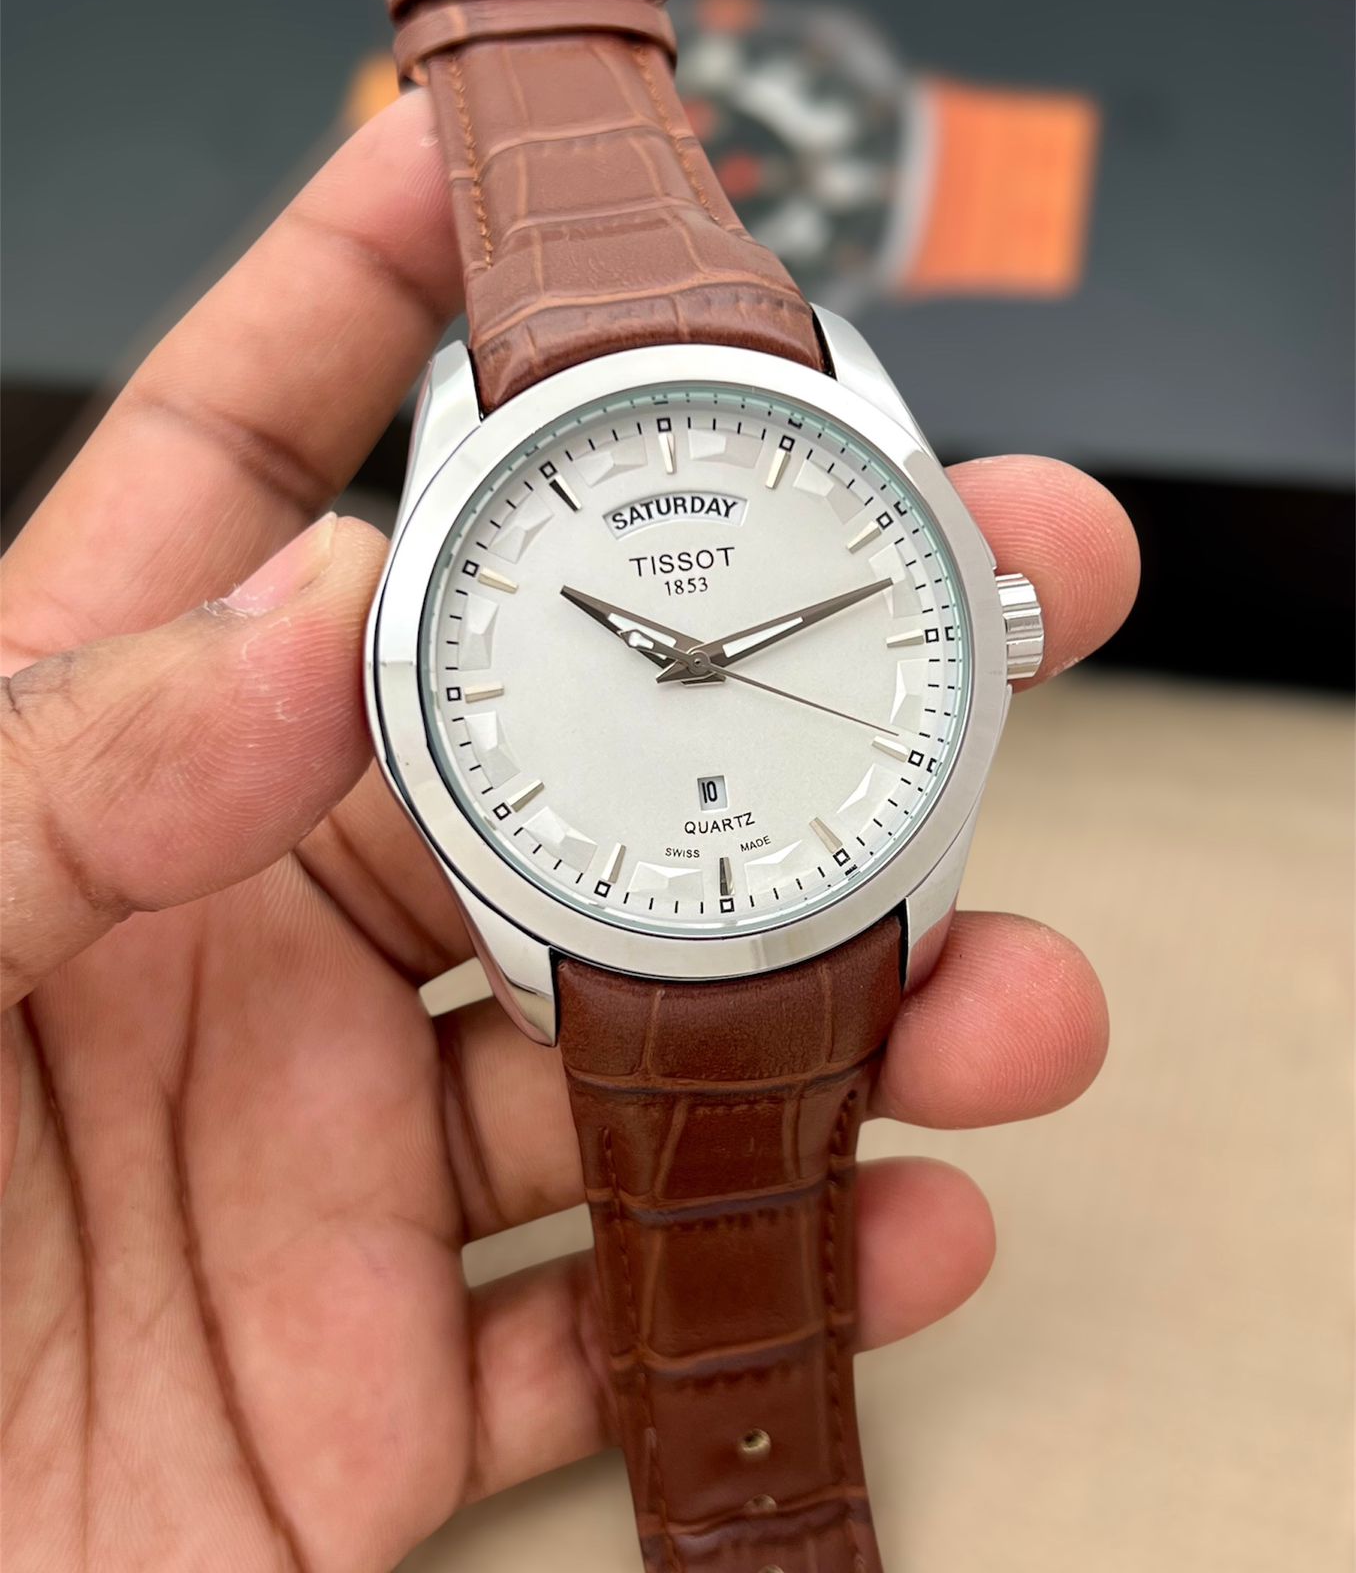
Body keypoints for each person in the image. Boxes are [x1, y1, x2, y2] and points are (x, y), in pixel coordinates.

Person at [0, 90, 1139, 1570]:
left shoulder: (827, 384)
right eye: (668, 651)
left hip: (804, 894)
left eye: (710, 651)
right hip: (619, 919)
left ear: (996, 629)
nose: (696, 662)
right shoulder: (737, 392)